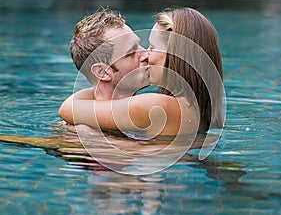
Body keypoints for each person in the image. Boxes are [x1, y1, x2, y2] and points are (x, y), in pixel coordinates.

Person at [58, 7, 224, 138]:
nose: (146, 54)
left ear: (178, 56)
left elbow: (67, 108)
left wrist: (90, 136)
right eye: (132, 52)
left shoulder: (157, 105)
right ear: (102, 72)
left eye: (152, 48)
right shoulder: (195, 105)